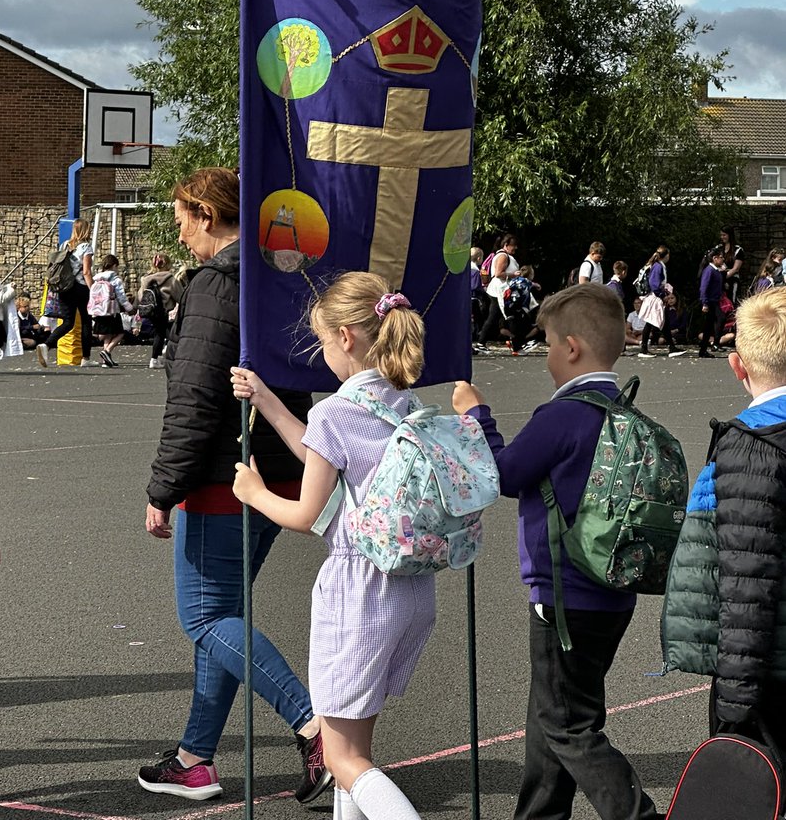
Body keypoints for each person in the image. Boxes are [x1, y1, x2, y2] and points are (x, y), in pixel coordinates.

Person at [141, 168, 326, 804]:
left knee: (206, 615)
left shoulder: (216, 285)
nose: (181, 232)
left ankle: (313, 726)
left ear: (207, 214)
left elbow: (193, 396)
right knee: (224, 616)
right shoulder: (279, 279)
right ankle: (195, 758)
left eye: (182, 219)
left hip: (228, 472)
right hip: (279, 462)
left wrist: (163, 487)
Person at [231, 273, 435, 820]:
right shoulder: (403, 402)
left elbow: (304, 513)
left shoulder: (336, 411)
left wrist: (254, 493)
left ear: (346, 336)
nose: (322, 354)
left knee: (341, 756)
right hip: (409, 585)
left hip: (358, 591)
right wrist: (269, 401)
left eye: (322, 342)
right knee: (358, 747)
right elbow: (324, 452)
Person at [452, 284, 660, 820]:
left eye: (546, 344)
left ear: (571, 348)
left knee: (567, 725)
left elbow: (505, 472)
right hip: (611, 592)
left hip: (563, 596)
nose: (545, 356)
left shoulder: (562, 414)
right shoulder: (621, 410)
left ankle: (638, 814)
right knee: (552, 717)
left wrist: (479, 417)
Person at [662, 289, 786, 761]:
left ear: (739, 367)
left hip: (768, 674)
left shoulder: (754, 444)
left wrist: (735, 704)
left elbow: (746, 578)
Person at [36, 218, 94, 368]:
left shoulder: (64, 245)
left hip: (64, 287)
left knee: (68, 322)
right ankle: (86, 358)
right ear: (86, 230)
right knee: (86, 322)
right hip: (80, 288)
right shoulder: (86, 247)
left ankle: (46, 345)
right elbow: (86, 272)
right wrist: (93, 289)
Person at [138, 252, 184, 369]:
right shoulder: (170, 279)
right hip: (163, 310)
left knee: (159, 332)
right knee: (161, 333)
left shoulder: (145, 279)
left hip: (150, 309)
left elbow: (140, 296)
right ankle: (155, 358)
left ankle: (159, 355)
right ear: (167, 264)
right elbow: (180, 296)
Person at [637, 247, 685, 358]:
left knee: (663, 322)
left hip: (655, 297)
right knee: (652, 323)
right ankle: (644, 349)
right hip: (655, 298)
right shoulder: (658, 266)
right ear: (666, 255)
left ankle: (671, 348)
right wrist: (662, 295)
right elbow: (654, 283)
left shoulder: (657, 265)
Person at [90, 254, 134, 367]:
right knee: (120, 333)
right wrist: (129, 308)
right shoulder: (115, 279)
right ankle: (107, 351)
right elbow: (121, 296)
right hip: (112, 311)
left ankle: (106, 361)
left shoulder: (96, 279)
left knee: (108, 334)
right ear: (114, 265)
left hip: (100, 311)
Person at [477, 233, 518, 346]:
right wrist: (514, 275)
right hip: (499, 291)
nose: (515, 248)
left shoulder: (503, 255)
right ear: (506, 245)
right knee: (506, 316)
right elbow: (498, 273)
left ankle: (482, 342)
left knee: (495, 317)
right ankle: (518, 343)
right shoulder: (503, 256)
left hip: (500, 291)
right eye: (513, 245)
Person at [697, 245, 727, 358]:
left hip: (714, 301)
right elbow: (703, 287)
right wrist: (704, 302)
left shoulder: (716, 270)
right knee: (718, 320)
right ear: (715, 258)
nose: (722, 259)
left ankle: (705, 348)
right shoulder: (709, 270)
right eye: (721, 257)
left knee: (710, 325)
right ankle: (711, 345)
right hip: (709, 301)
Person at [718, 226, 745, 304]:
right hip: (719, 281)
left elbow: (735, 269)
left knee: (731, 303)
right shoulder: (718, 248)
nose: (722, 237)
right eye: (721, 235)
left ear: (730, 235)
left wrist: (723, 277)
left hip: (732, 280)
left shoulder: (738, 250)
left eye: (724, 235)